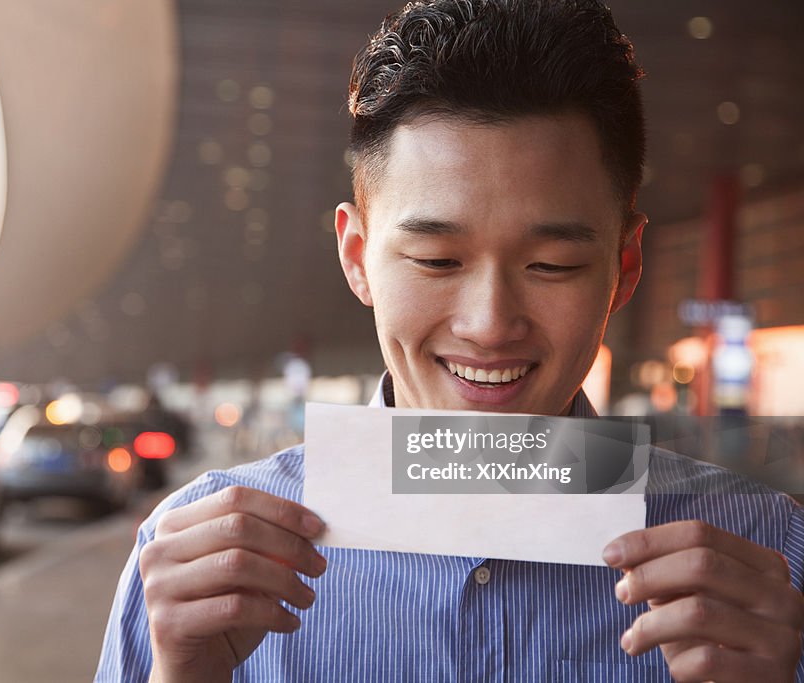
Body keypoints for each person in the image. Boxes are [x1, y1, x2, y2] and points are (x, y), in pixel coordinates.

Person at [96, 1, 804, 680]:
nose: (490, 323)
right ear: (356, 256)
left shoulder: (765, 555)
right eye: (437, 260)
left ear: (624, 267)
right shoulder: (192, 565)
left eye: (552, 265)